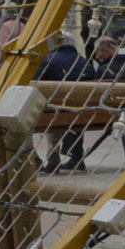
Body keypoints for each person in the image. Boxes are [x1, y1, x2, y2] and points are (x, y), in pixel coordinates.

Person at [38, 32, 96, 172]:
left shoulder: (48, 60)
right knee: (67, 111)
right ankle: (75, 156)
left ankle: (46, 158)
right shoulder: (85, 62)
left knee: (50, 113)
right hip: (84, 114)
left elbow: (35, 80)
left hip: (54, 113)